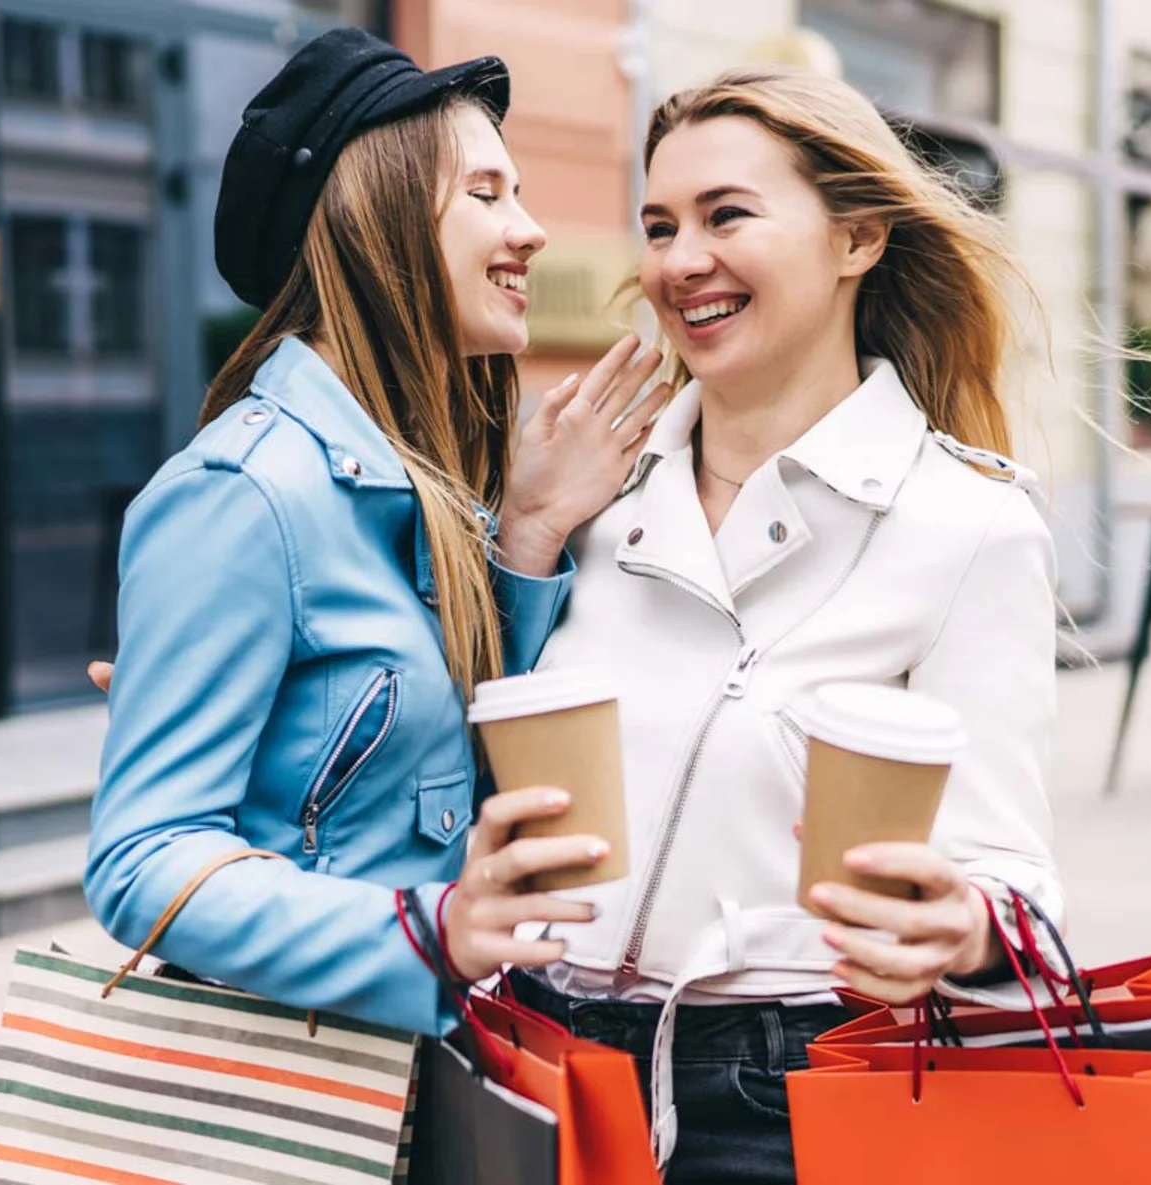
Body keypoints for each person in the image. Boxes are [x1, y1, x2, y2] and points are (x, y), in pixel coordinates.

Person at [491, 67, 1067, 1182]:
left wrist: (971, 927)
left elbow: (1015, 881)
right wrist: (522, 537)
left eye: (726, 215)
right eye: (658, 225)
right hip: (542, 1065)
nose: (678, 261)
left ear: (857, 239)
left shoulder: (967, 523)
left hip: (784, 1096)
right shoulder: (587, 490)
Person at [82, 28, 670, 1038]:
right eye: (486, 195)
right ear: (374, 221)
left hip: (419, 1069)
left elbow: (465, 775)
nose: (530, 230)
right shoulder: (245, 493)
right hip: (303, 1090)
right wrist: (428, 931)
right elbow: (142, 859)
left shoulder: (425, 486)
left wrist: (527, 532)